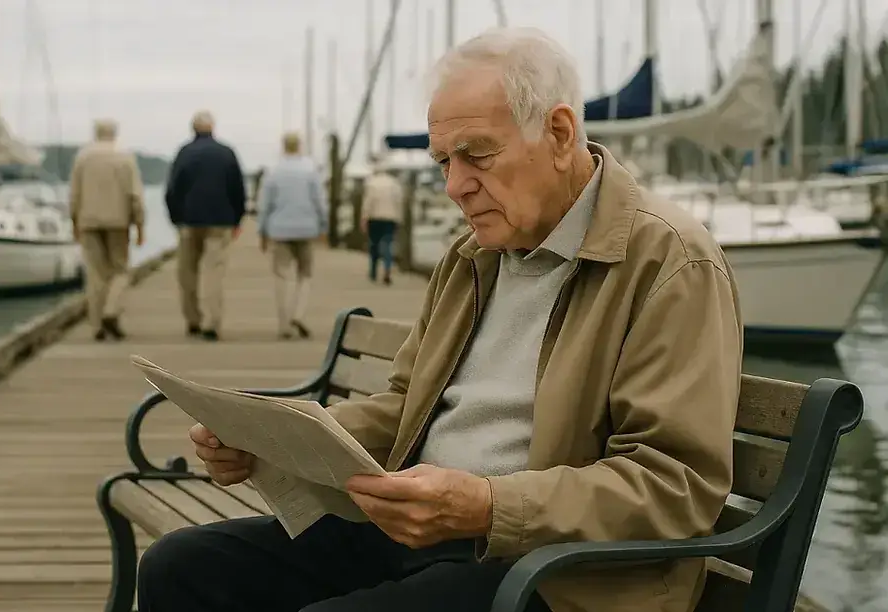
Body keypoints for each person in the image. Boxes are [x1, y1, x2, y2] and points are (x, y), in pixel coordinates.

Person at [139, 26, 742, 612]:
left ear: (559, 134)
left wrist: (488, 505)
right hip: (425, 532)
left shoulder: (669, 260)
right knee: (181, 568)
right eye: (443, 162)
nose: (456, 186)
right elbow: (407, 406)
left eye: (476, 155)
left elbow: (675, 482)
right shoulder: (473, 256)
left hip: (553, 571)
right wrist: (270, 442)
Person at [165, 110, 247, 342]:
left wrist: (175, 218)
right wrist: (238, 219)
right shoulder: (226, 153)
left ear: (193, 129)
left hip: (189, 221)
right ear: (213, 128)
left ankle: (193, 320)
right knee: (214, 273)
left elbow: (172, 189)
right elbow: (238, 189)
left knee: (187, 273)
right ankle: (212, 322)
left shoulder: (184, 153)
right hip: (220, 221)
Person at [68, 118, 144, 341]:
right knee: (120, 271)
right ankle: (111, 311)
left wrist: (74, 221)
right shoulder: (125, 157)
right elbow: (135, 195)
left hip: (88, 221)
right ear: (115, 133)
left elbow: (74, 194)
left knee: (95, 274)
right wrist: (139, 224)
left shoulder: (82, 157)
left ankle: (96, 325)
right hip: (118, 222)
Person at [257, 132, 328, 340]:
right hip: (306, 229)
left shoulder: (274, 172)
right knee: (305, 274)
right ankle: (298, 313)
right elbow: (320, 201)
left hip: (279, 230)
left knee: (281, 276)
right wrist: (323, 226)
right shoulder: (311, 171)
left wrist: (262, 231)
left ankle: (284, 324)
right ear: (300, 146)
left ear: (283, 146)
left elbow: (265, 205)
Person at [359, 156, 405, 285]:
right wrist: (399, 219)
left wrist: (364, 218)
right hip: (390, 218)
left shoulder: (371, 182)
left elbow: (367, 202)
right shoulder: (394, 183)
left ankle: (373, 272)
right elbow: (399, 202)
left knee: (373, 245)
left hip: (374, 218)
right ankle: (387, 271)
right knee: (388, 245)